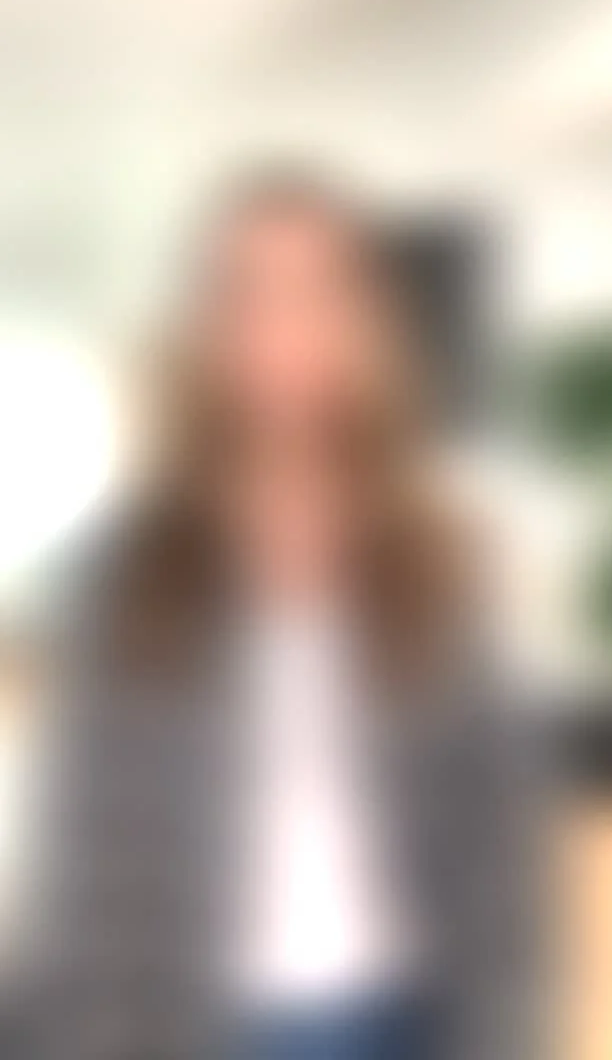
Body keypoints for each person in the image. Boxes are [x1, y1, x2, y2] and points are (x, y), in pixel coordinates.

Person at [28, 170, 545, 1060]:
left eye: (313, 290)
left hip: (404, 1025)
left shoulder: (441, 558)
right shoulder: (124, 572)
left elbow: (498, 858)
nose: (281, 325)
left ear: (362, 326)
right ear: (208, 332)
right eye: (250, 293)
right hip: (192, 1029)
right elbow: (86, 871)